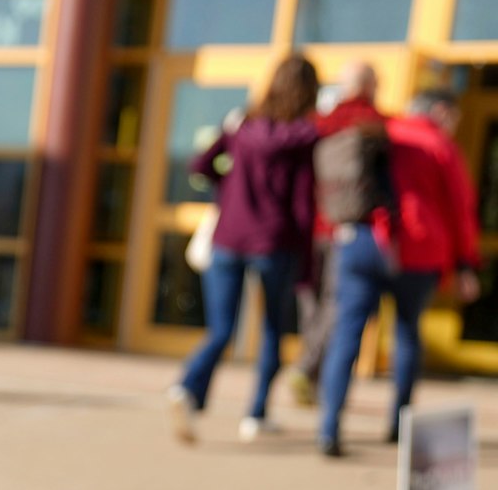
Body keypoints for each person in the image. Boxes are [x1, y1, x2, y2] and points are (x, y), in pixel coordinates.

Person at [315, 89, 484, 457]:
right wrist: (466, 264)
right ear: (441, 111)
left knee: (348, 333)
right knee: (407, 332)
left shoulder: (378, 133)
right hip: (418, 248)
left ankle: (329, 426)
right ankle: (399, 425)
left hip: (363, 242)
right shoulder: (438, 144)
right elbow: (461, 208)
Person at [166, 54, 320, 445]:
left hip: (228, 238)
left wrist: (229, 184)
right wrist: (307, 263)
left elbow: (200, 164)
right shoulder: (304, 137)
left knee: (221, 330)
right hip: (275, 242)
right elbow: (304, 205)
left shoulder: (241, 124)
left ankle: (187, 388)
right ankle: (256, 414)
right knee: (272, 331)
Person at [285, 60, 393, 408]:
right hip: (349, 230)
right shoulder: (378, 124)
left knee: (312, 303)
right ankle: (309, 369)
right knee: (337, 306)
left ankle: (310, 371)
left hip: (311, 226)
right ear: (371, 85)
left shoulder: (319, 123)